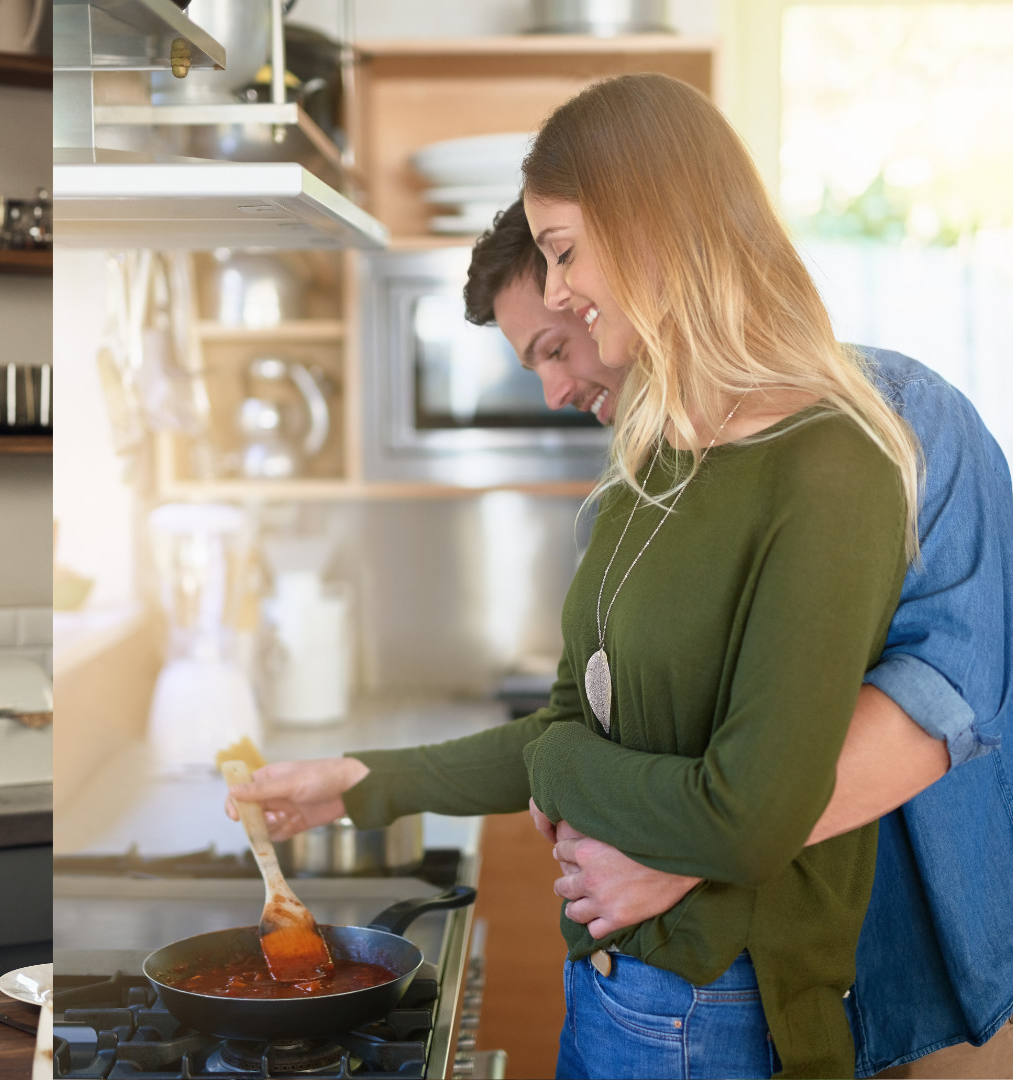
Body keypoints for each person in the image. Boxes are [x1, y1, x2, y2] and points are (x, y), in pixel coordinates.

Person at [231, 73, 921, 1079]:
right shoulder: (658, 468)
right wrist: (361, 783)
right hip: (607, 991)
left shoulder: (830, 466)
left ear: (652, 222)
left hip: (718, 1011)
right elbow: (571, 721)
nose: (558, 295)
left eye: (562, 257)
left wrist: (560, 770)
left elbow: (749, 820)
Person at [460, 199, 1013, 1077]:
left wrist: (685, 860)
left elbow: (950, 688)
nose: (557, 391)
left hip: (936, 960)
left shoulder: (895, 419)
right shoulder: (619, 507)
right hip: (744, 980)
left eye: (562, 335)